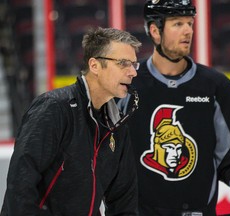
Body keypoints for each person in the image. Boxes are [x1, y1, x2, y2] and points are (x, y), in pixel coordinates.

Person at [117, 0, 230, 215]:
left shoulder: (217, 88)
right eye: (178, 24)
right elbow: (103, 151)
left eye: (190, 23)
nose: (187, 31)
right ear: (155, 31)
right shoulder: (126, 84)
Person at [1, 27, 141, 216]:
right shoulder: (54, 108)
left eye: (134, 64)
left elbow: (124, 200)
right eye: (123, 63)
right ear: (95, 66)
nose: (133, 72)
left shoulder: (116, 124)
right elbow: (21, 185)